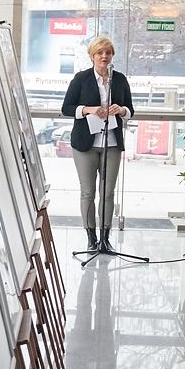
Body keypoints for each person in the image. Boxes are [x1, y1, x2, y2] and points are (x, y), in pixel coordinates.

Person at [60, 35, 133, 252]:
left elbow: (130, 109)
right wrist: (88, 109)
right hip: (85, 144)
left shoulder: (119, 79)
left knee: (108, 192)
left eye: (108, 52)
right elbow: (66, 108)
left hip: (111, 143)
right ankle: (91, 238)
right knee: (88, 192)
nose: (104, 56)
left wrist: (121, 110)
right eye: (100, 53)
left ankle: (105, 239)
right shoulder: (80, 78)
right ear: (92, 56)